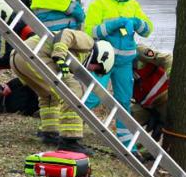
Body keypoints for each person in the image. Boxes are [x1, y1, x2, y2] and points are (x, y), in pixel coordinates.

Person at [10, 26, 115, 154]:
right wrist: (59, 56)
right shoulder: (88, 43)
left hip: (19, 57)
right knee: (73, 90)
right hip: (33, 55)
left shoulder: (80, 56)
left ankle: (49, 132)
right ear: (101, 57)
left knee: (48, 94)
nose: (91, 70)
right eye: (97, 68)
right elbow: (66, 33)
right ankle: (70, 141)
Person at [84, 0, 153, 150]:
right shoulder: (99, 4)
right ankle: (70, 130)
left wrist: (137, 23)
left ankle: (128, 145)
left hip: (125, 63)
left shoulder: (133, 5)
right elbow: (89, 31)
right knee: (93, 97)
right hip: (103, 61)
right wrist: (112, 25)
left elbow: (148, 30)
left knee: (123, 103)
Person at [130, 44, 171, 141]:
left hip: (165, 98)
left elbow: (167, 59)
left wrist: (171, 81)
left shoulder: (138, 51)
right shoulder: (116, 67)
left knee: (171, 125)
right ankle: (138, 148)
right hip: (147, 107)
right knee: (126, 118)